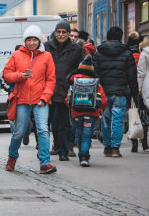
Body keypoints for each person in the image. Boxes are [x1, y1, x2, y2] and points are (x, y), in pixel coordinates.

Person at [3, 25, 57, 174]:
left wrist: (45, 98)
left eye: (35, 39)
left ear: (39, 40)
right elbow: (7, 74)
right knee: (19, 132)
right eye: (29, 39)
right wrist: (20, 76)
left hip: (40, 100)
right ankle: (12, 157)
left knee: (43, 131)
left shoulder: (47, 56)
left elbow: (51, 80)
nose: (32, 42)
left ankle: (45, 163)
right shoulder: (16, 55)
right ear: (24, 40)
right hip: (21, 100)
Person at [93, 26, 139, 158]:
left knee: (105, 120)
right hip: (120, 91)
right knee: (118, 120)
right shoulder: (127, 52)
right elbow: (132, 74)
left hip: (104, 92)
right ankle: (115, 148)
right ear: (121, 37)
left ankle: (107, 147)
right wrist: (134, 92)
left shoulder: (98, 52)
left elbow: (95, 73)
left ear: (107, 37)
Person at [44, 20, 84, 161]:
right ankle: (57, 145)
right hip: (50, 90)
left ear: (68, 33)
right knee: (54, 122)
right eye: (58, 32)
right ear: (55, 33)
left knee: (66, 123)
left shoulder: (76, 49)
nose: (61, 34)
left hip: (67, 90)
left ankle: (64, 150)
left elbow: (80, 68)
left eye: (64, 32)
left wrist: (71, 77)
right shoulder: (46, 47)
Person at [67, 55, 107, 167]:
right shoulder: (96, 83)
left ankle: (81, 156)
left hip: (76, 113)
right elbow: (103, 100)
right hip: (91, 113)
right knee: (87, 135)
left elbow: (68, 99)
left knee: (79, 134)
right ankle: (84, 156)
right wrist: (100, 110)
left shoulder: (74, 82)